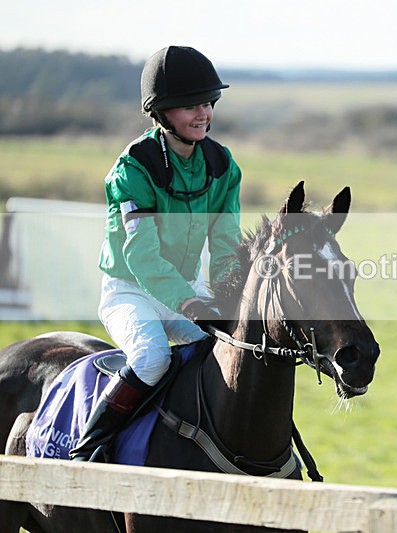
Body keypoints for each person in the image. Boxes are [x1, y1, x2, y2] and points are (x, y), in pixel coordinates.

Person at [70, 46, 242, 461]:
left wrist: (228, 296)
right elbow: (142, 257)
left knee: (226, 348)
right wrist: (189, 302)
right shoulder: (133, 169)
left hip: (185, 289)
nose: (202, 114)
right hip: (129, 290)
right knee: (151, 358)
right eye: (190, 106)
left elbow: (226, 245)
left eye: (207, 103)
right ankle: (90, 448)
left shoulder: (222, 165)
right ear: (161, 113)